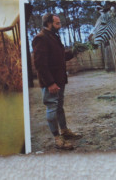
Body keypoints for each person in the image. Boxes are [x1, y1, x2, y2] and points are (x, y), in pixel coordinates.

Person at [32, 13, 82, 150]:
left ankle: (64, 131)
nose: (60, 26)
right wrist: (50, 83)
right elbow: (40, 65)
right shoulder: (40, 38)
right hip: (51, 82)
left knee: (59, 106)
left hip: (59, 80)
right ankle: (57, 138)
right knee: (52, 107)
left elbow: (59, 56)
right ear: (49, 23)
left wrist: (74, 51)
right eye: (57, 23)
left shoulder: (53, 37)